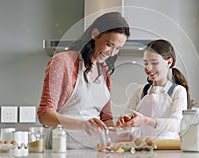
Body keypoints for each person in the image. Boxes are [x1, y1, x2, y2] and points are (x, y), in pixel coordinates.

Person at [37, 12, 130, 149]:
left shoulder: (103, 70)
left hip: (96, 148)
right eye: (109, 44)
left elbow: (105, 118)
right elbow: (45, 115)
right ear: (95, 34)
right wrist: (82, 125)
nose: (112, 53)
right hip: (63, 147)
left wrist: (117, 136)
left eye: (118, 48)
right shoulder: (63, 61)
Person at [116, 39, 189, 139]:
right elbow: (129, 117)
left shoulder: (178, 91)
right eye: (146, 63)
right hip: (143, 148)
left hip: (167, 149)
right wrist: (126, 121)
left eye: (154, 63)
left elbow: (176, 125)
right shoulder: (140, 91)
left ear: (169, 62)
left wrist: (146, 121)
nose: (148, 68)